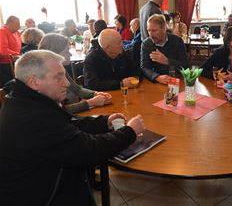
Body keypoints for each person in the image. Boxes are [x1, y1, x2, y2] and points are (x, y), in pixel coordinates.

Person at [0, 50, 145, 205]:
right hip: (44, 196)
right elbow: (90, 150)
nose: (67, 83)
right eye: (58, 77)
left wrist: (104, 122)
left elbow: (67, 124)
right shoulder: (31, 118)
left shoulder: (29, 101)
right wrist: (129, 132)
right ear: (34, 81)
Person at [38, 33, 112, 114]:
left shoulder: (60, 69)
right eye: (67, 51)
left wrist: (95, 93)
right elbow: (57, 111)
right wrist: (90, 102)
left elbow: (77, 89)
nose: (70, 54)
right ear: (55, 54)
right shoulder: (43, 78)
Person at [141, 14, 188, 84]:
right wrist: (157, 77)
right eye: (148, 30)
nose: (150, 34)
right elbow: (144, 67)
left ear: (164, 28)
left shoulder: (177, 41)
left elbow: (185, 66)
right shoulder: (147, 44)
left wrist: (167, 61)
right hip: (155, 83)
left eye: (154, 30)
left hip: (176, 81)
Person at [0, 15, 21, 87]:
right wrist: (19, 54)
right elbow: (3, 50)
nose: (19, 26)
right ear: (10, 23)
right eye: (17, 24)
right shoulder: (2, 31)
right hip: (6, 64)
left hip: (15, 61)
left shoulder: (17, 32)